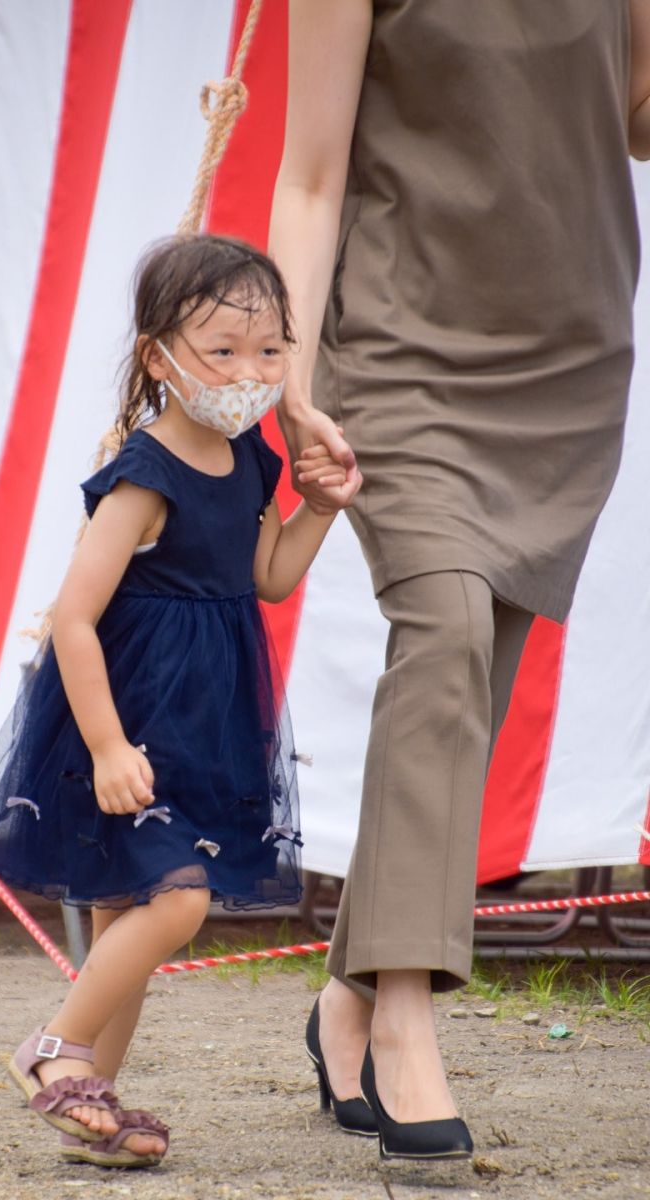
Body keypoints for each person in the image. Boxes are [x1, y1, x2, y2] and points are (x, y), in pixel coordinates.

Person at [267, 0, 650, 1163]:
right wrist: (286, 366)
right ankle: (403, 1015)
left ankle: (347, 997)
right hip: (401, 337)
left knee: (473, 666)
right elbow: (312, 170)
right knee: (437, 628)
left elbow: (630, 119)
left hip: (567, 344)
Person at [0, 234, 359, 1169]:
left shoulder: (254, 463)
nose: (249, 372)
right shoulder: (142, 477)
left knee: (121, 916)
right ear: (158, 358)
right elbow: (74, 619)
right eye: (221, 349)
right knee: (176, 901)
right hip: (126, 720)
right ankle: (52, 1052)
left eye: (270, 350)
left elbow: (266, 579)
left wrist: (322, 508)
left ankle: (90, 1100)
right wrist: (104, 747)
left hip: (207, 721)